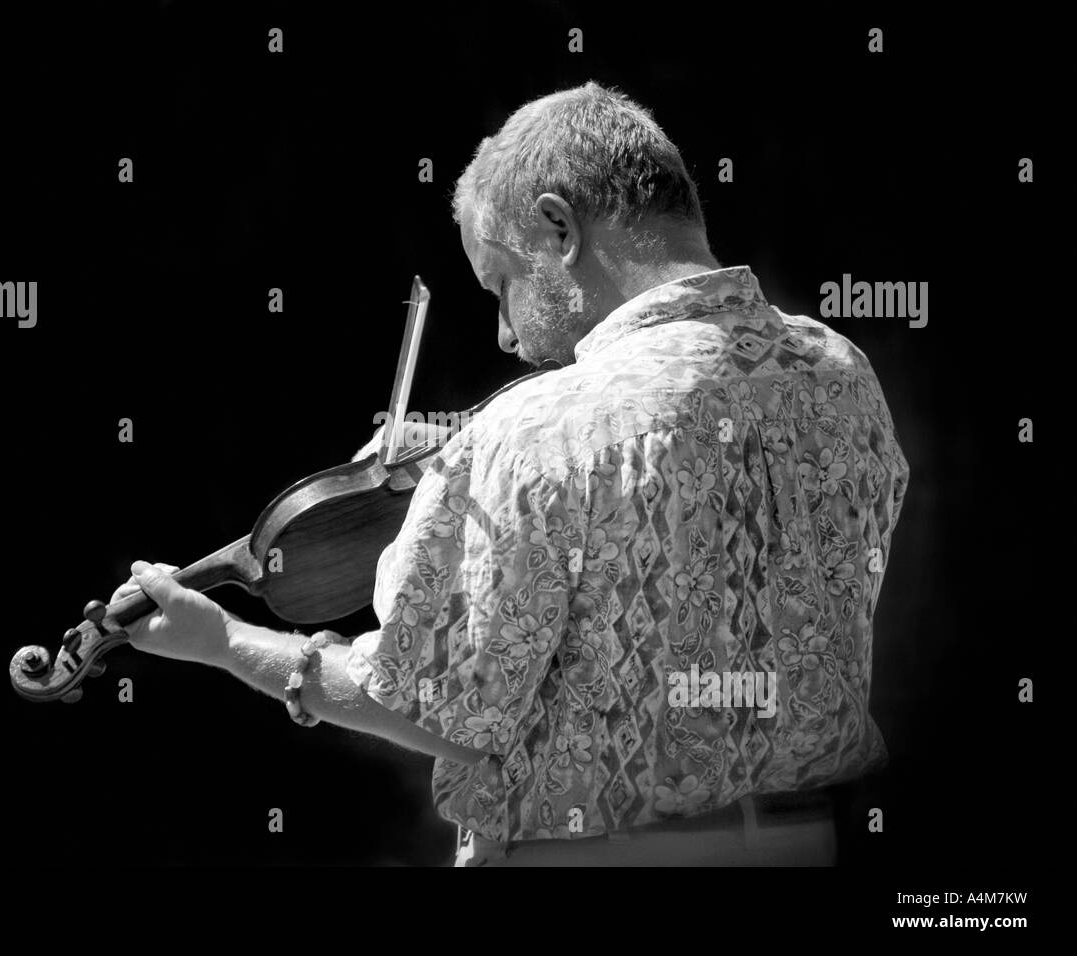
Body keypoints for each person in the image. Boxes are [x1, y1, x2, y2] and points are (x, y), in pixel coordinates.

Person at [112, 81, 909, 866]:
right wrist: (463, 468)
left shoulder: (532, 432)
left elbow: (430, 706)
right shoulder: (842, 373)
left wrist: (221, 639)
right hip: (814, 845)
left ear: (560, 228)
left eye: (501, 284)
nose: (503, 333)